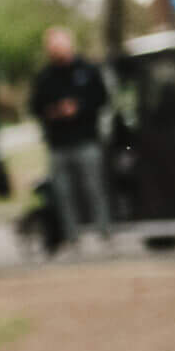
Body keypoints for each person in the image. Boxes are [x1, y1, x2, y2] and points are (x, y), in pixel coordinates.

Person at [28, 26, 113, 249]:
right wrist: (55, 111)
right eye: (52, 47)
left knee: (93, 187)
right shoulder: (45, 77)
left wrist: (79, 108)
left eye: (60, 45)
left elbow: (102, 98)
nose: (56, 51)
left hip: (85, 138)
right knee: (63, 192)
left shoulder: (87, 70)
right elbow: (35, 106)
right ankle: (72, 236)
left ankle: (104, 231)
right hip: (58, 143)